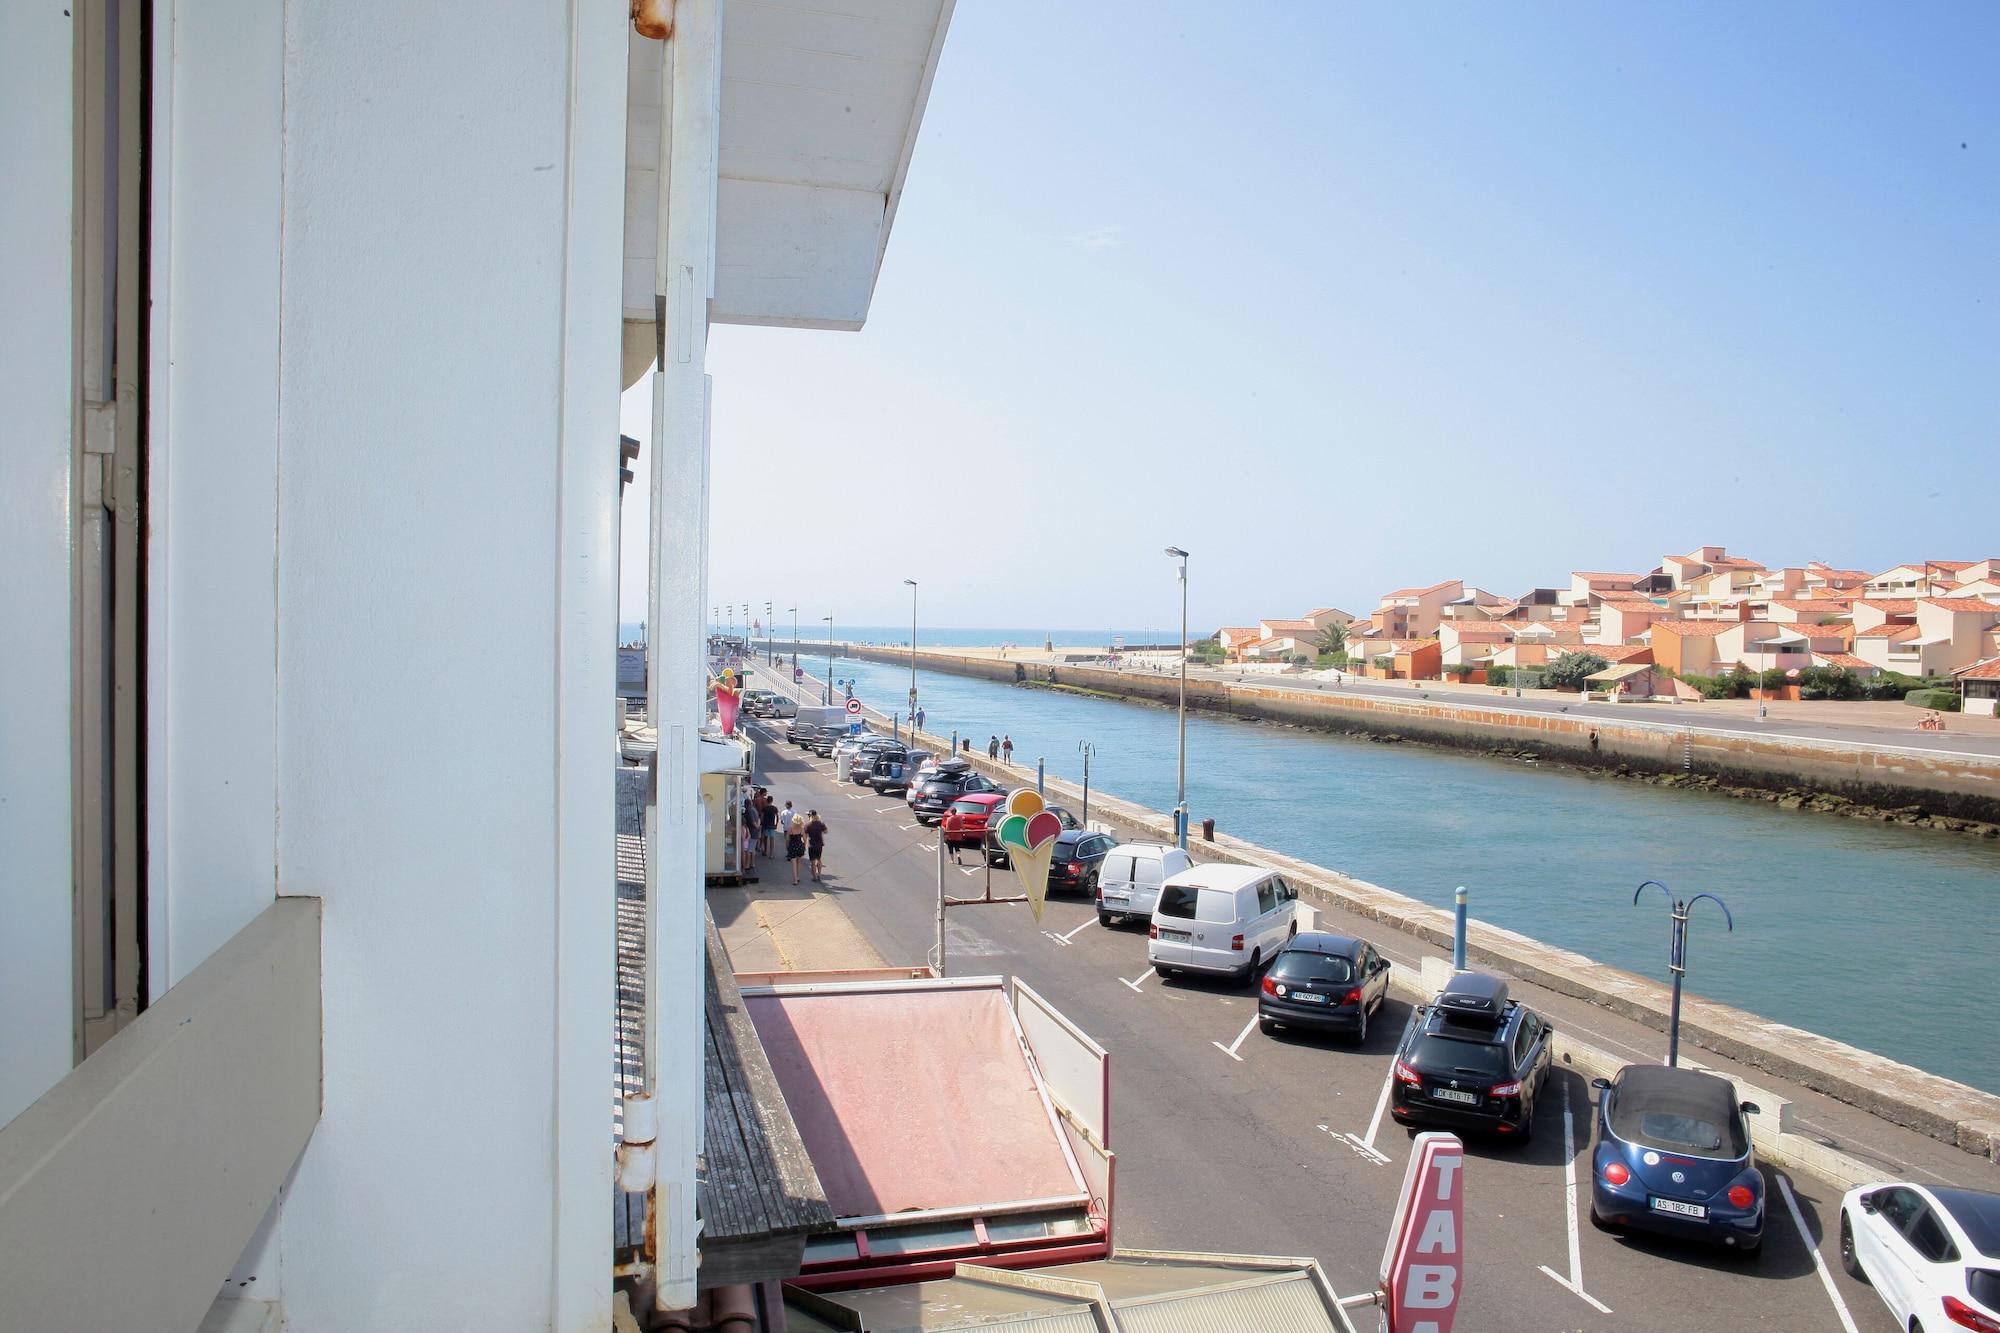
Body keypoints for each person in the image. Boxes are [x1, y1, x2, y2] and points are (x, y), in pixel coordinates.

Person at [805, 810, 828, 882]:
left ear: (810, 816)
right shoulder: (821, 823)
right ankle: (819, 874)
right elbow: (826, 831)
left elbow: (805, 835)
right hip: (819, 844)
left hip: (811, 845)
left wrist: (804, 844)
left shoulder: (808, 825)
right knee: (819, 859)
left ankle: (814, 876)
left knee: (812, 862)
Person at [785, 814, 807, 885]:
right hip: (800, 846)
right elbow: (804, 839)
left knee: (793, 864)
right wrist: (804, 847)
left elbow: (787, 840)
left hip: (792, 847)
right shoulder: (801, 829)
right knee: (798, 863)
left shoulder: (790, 829)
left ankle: (795, 880)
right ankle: (797, 877)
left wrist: (787, 847)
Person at [758, 790, 778, 855]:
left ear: (767, 801)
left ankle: (765, 851)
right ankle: (771, 853)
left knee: (765, 838)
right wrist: (776, 824)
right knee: (772, 839)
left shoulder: (765, 808)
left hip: (766, 825)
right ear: (772, 801)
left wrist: (761, 823)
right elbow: (777, 817)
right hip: (772, 825)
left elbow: (762, 817)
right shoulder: (775, 808)